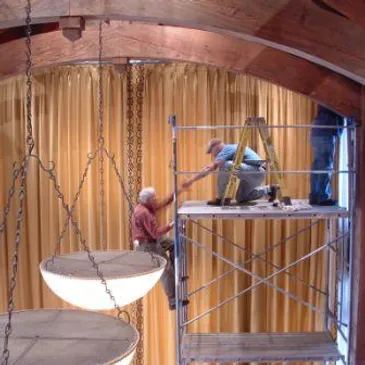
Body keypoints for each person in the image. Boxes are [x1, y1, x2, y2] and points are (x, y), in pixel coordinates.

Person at [132, 186, 189, 310]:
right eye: (154, 198)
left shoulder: (148, 206)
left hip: (152, 238)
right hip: (146, 244)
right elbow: (154, 233)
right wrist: (171, 225)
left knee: (173, 244)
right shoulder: (142, 212)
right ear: (147, 200)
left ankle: (176, 271)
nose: (156, 200)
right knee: (166, 270)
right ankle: (173, 301)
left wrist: (179, 190)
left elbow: (164, 203)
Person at [182, 138, 276, 205]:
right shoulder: (231, 149)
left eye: (211, 151)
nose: (212, 154)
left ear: (215, 146)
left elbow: (209, 168)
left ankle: (220, 198)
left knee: (225, 165)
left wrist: (191, 180)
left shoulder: (226, 149)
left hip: (255, 170)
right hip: (255, 173)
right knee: (241, 198)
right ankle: (270, 189)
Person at [309, 105, 344, 206]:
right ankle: (322, 197)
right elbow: (339, 108)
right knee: (325, 165)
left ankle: (315, 196)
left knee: (318, 165)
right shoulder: (332, 98)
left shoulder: (325, 97)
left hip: (317, 131)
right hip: (325, 132)